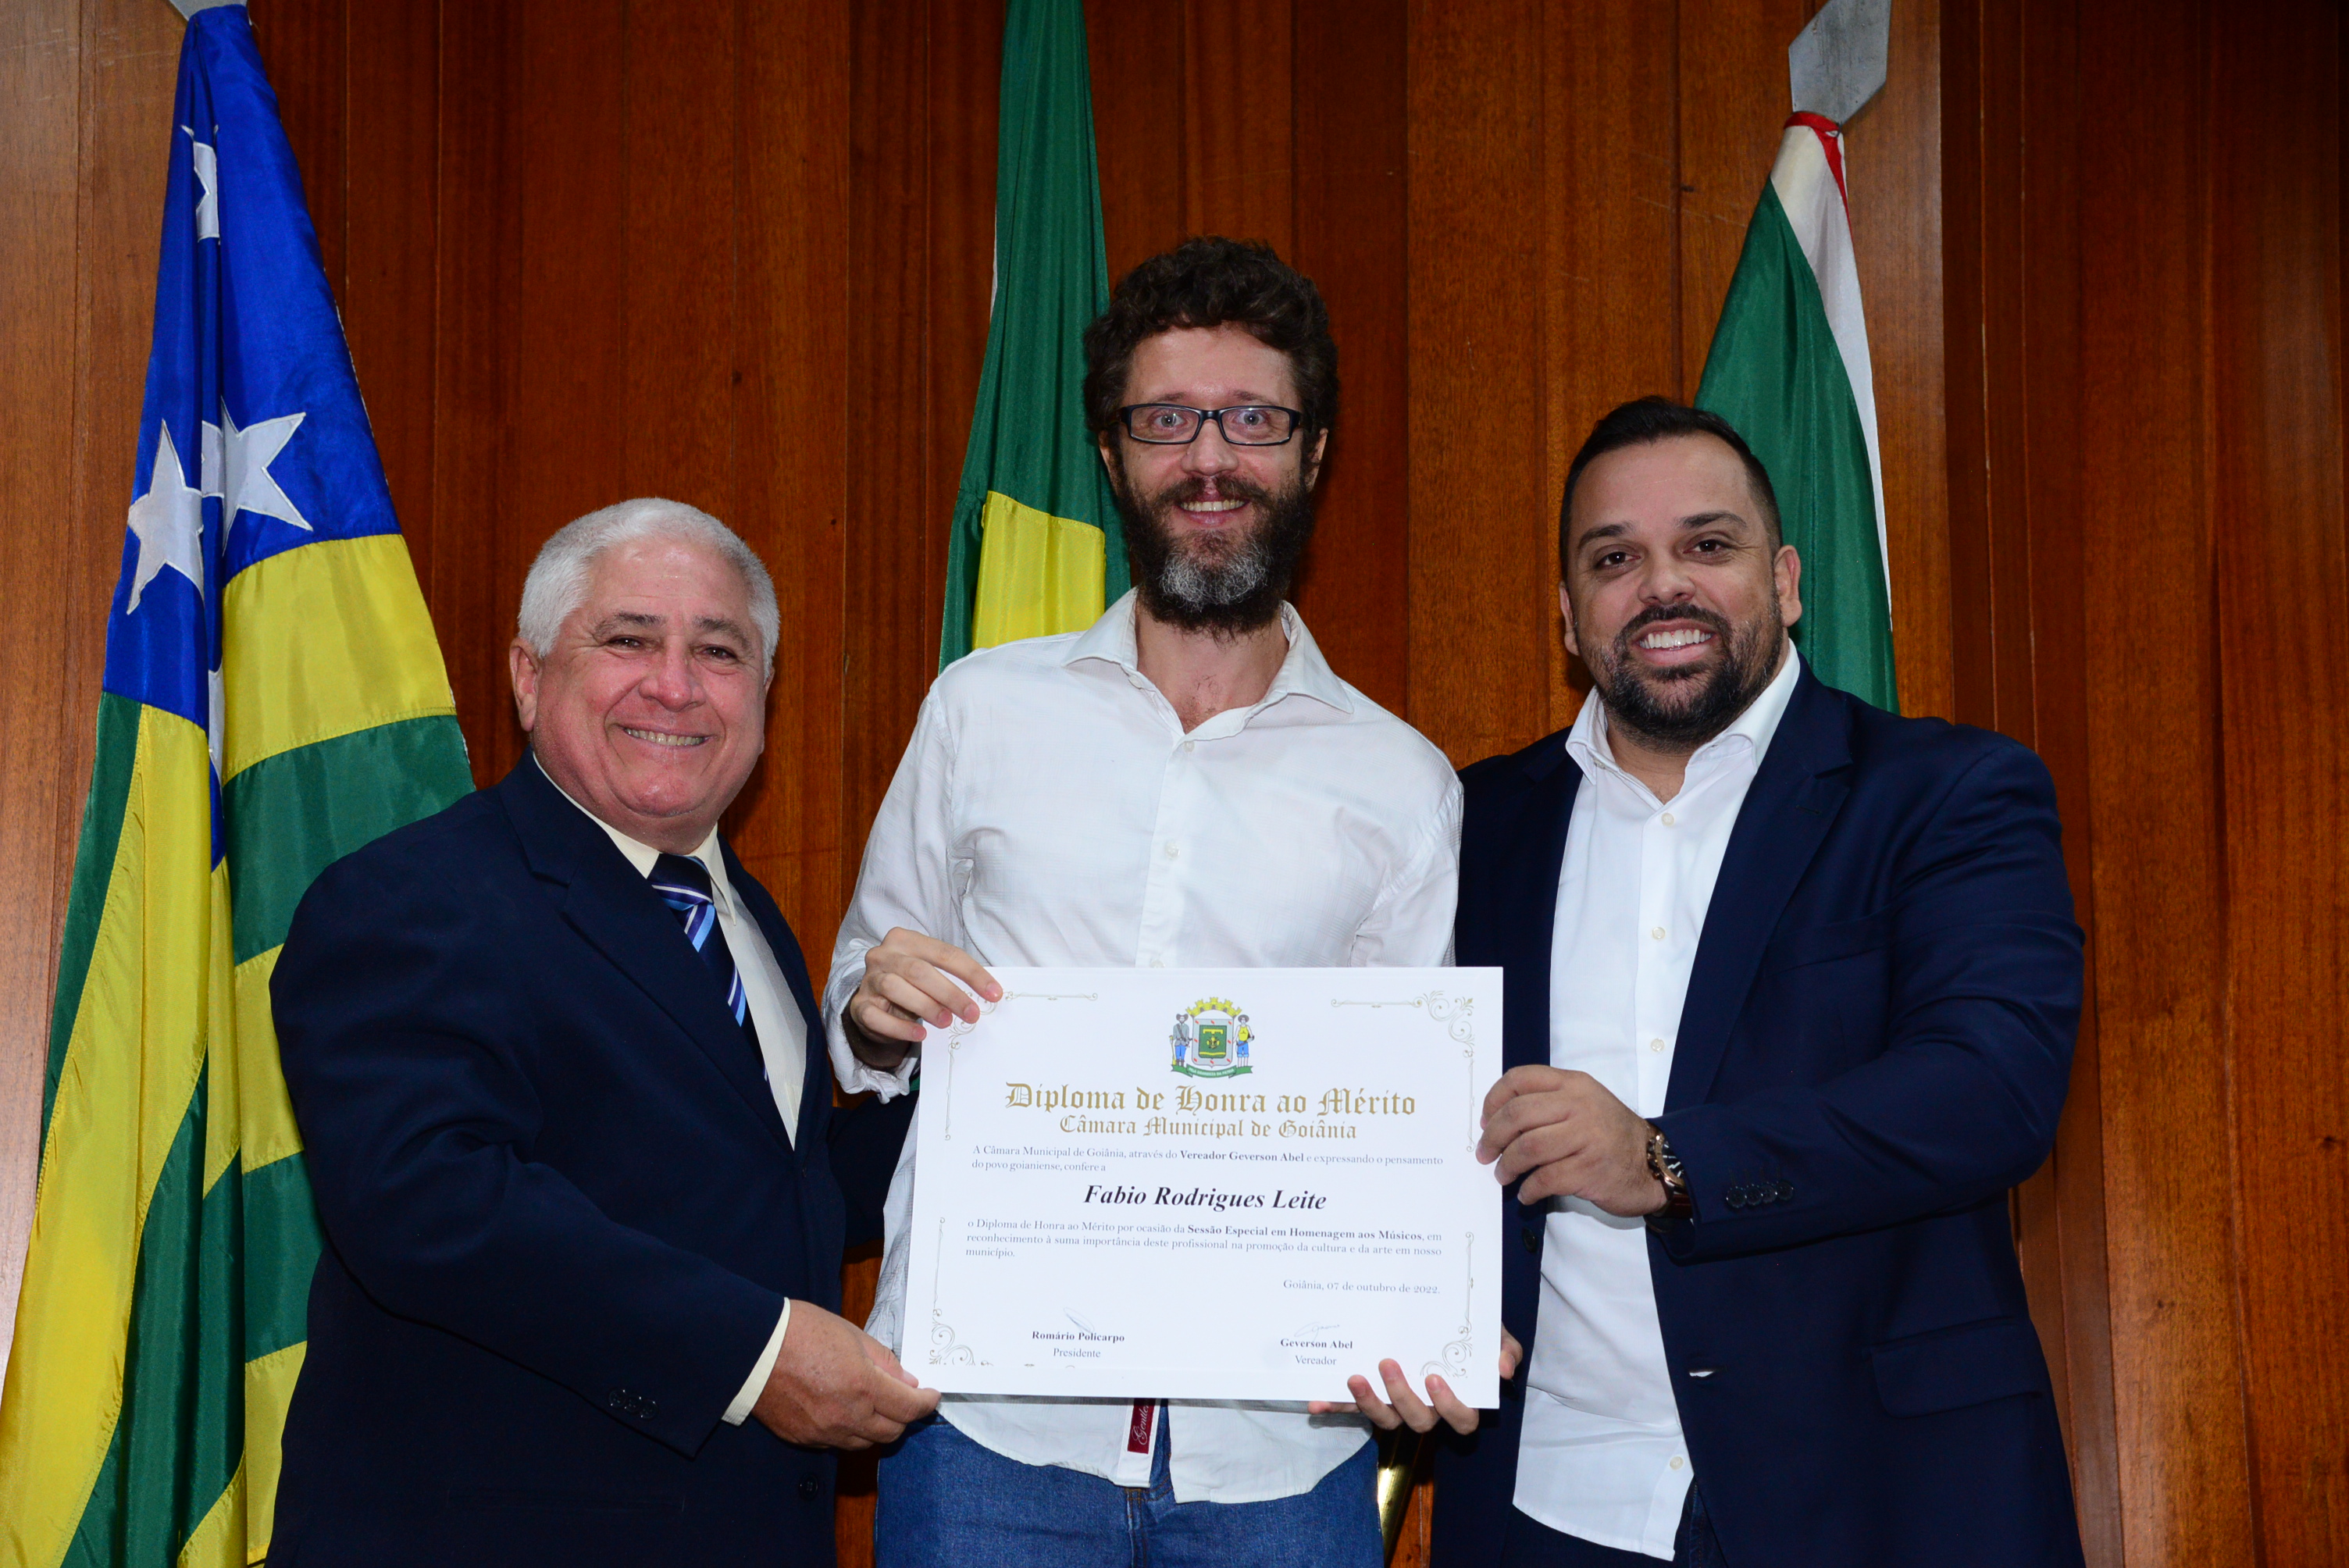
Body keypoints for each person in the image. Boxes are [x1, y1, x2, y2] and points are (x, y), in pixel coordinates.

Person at [828, 237, 1485, 1568]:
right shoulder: (979, 710)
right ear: (1112, 451)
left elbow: (1409, 1131)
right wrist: (878, 1007)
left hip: (1279, 1458)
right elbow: (859, 1010)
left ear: (1313, 453)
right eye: (1167, 420)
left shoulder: (1402, 781)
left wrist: (1433, 1307)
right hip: (989, 1424)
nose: (1210, 459)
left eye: (1253, 420)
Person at [1431, 399, 2087, 1567]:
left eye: (1708, 544)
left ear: (1784, 582)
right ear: (1568, 615)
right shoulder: (1471, 824)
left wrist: (1667, 1161)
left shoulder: (1945, 792)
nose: (1662, 585)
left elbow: (1992, 1092)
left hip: (1878, 1498)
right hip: (1550, 1504)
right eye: (1614, 559)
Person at [269, 499, 936, 1565]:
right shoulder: (408, 897)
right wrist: (756, 1355)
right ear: (529, 677)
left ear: (763, 691)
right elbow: (428, 1202)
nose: (674, 684)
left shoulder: (747, 920)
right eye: (627, 639)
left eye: (719, 651)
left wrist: (1024, 1106)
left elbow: (771, 1184)